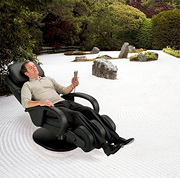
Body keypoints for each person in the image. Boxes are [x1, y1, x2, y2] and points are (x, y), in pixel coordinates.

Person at [21, 60, 134, 156]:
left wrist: (72, 85)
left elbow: (63, 91)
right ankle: (105, 146)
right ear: (26, 73)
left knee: (89, 111)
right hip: (51, 109)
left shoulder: (48, 79)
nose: (34, 68)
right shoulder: (28, 85)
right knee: (77, 116)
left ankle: (116, 139)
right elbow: (25, 103)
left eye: (34, 66)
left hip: (64, 102)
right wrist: (42, 102)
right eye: (30, 68)